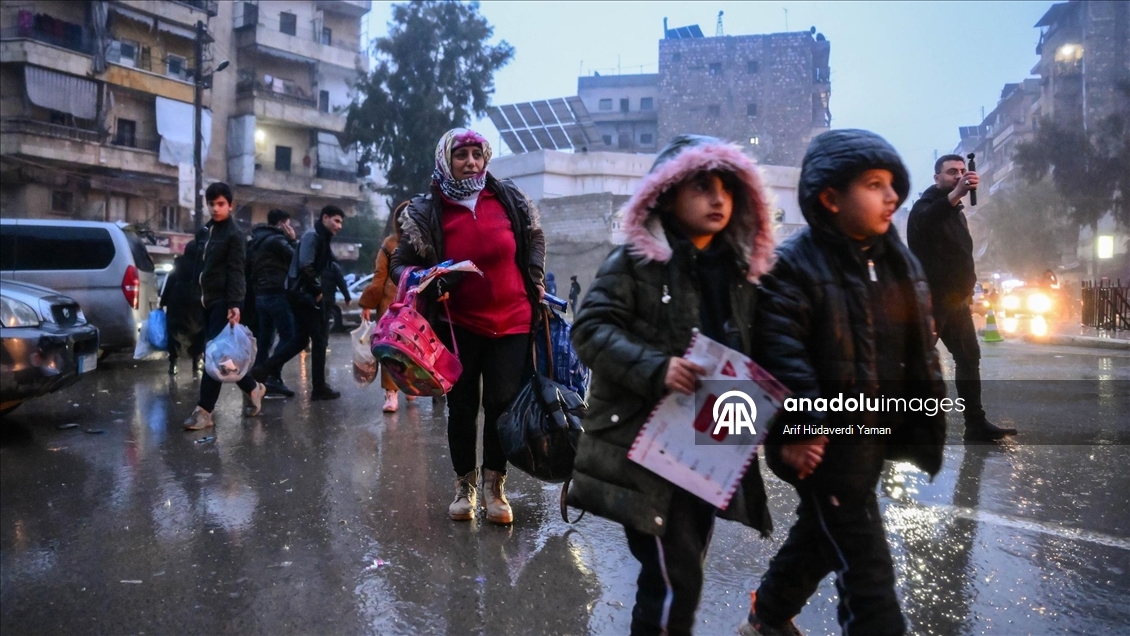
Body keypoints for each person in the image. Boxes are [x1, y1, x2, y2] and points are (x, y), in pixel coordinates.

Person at [567, 134, 777, 636]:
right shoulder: (634, 263)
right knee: (672, 579)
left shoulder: (742, 274)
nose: (718, 198)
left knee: (682, 573)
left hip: (709, 446)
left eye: (727, 187)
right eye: (702, 186)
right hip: (641, 447)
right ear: (665, 193)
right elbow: (589, 330)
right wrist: (657, 367)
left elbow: (764, 354)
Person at [740, 130, 947, 636]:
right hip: (826, 442)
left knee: (821, 534)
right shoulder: (794, 266)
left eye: (893, 184)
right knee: (867, 569)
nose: (891, 195)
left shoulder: (890, 260)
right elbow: (781, 356)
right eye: (874, 184)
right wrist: (798, 427)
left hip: (871, 432)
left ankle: (766, 615)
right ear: (829, 198)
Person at [390, 127, 546, 525]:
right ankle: (465, 487)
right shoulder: (426, 210)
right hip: (457, 323)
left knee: (500, 406)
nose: (471, 162)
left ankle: (495, 488)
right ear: (447, 159)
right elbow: (399, 263)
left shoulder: (508, 197)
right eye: (462, 155)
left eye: (477, 154)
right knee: (462, 408)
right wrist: (426, 278)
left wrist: (535, 274)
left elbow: (534, 236)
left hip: (513, 320)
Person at [907, 154, 1016, 441]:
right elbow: (929, 222)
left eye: (962, 171)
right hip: (930, 303)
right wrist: (957, 194)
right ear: (937, 178)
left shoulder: (956, 213)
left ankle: (975, 424)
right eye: (951, 172)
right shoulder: (925, 207)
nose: (958, 176)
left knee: (969, 358)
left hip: (955, 303)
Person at [183, 182, 266, 430]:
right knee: (223, 356)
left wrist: (235, 304)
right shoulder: (205, 232)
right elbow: (198, 268)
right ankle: (253, 388)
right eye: (211, 204)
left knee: (215, 354)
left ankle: (204, 410)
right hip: (204, 301)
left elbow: (236, 271)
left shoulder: (234, 234)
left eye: (220, 204)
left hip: (223, 301)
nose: (215, 209)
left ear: (231, 205)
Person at [254, 205, 346, 401]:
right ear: (325, 218)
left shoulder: (321, 238)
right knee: (319, 338)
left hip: (300, 294)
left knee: (299, 340)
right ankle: (319, 388)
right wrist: (317, 289)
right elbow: (305, 264)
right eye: (336, 221)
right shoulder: (313, 236)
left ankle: (261, 371)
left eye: (341, 223)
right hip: (303, 295)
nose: (339, 226)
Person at [359, 204, 415, 413]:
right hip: (391, 307)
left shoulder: (425, 243)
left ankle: (410, 387)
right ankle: (392, 394)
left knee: (413, 350)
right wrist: (368, 303)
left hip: (415, 306)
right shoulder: (390, 244)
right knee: (390, 351)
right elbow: (379, 276)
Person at [248, 209, 297, 396]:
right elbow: (296, 259)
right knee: (290, 337)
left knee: (265, 339)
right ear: (282, 224)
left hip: (261, 295)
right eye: (289, 224)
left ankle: (258, 380)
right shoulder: (277, 240)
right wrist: (292, 239)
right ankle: (272, 375)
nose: (290, 228)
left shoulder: (257, 241)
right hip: (277, 293)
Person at [160, 240, 203, 376]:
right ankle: (197, 361)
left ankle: (174, 362)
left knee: (174, 332)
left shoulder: (178, 264)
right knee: (199, 333)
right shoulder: (202, 265)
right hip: (196, 303)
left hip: (176, 301)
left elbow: (170, 282)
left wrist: (162, 302)